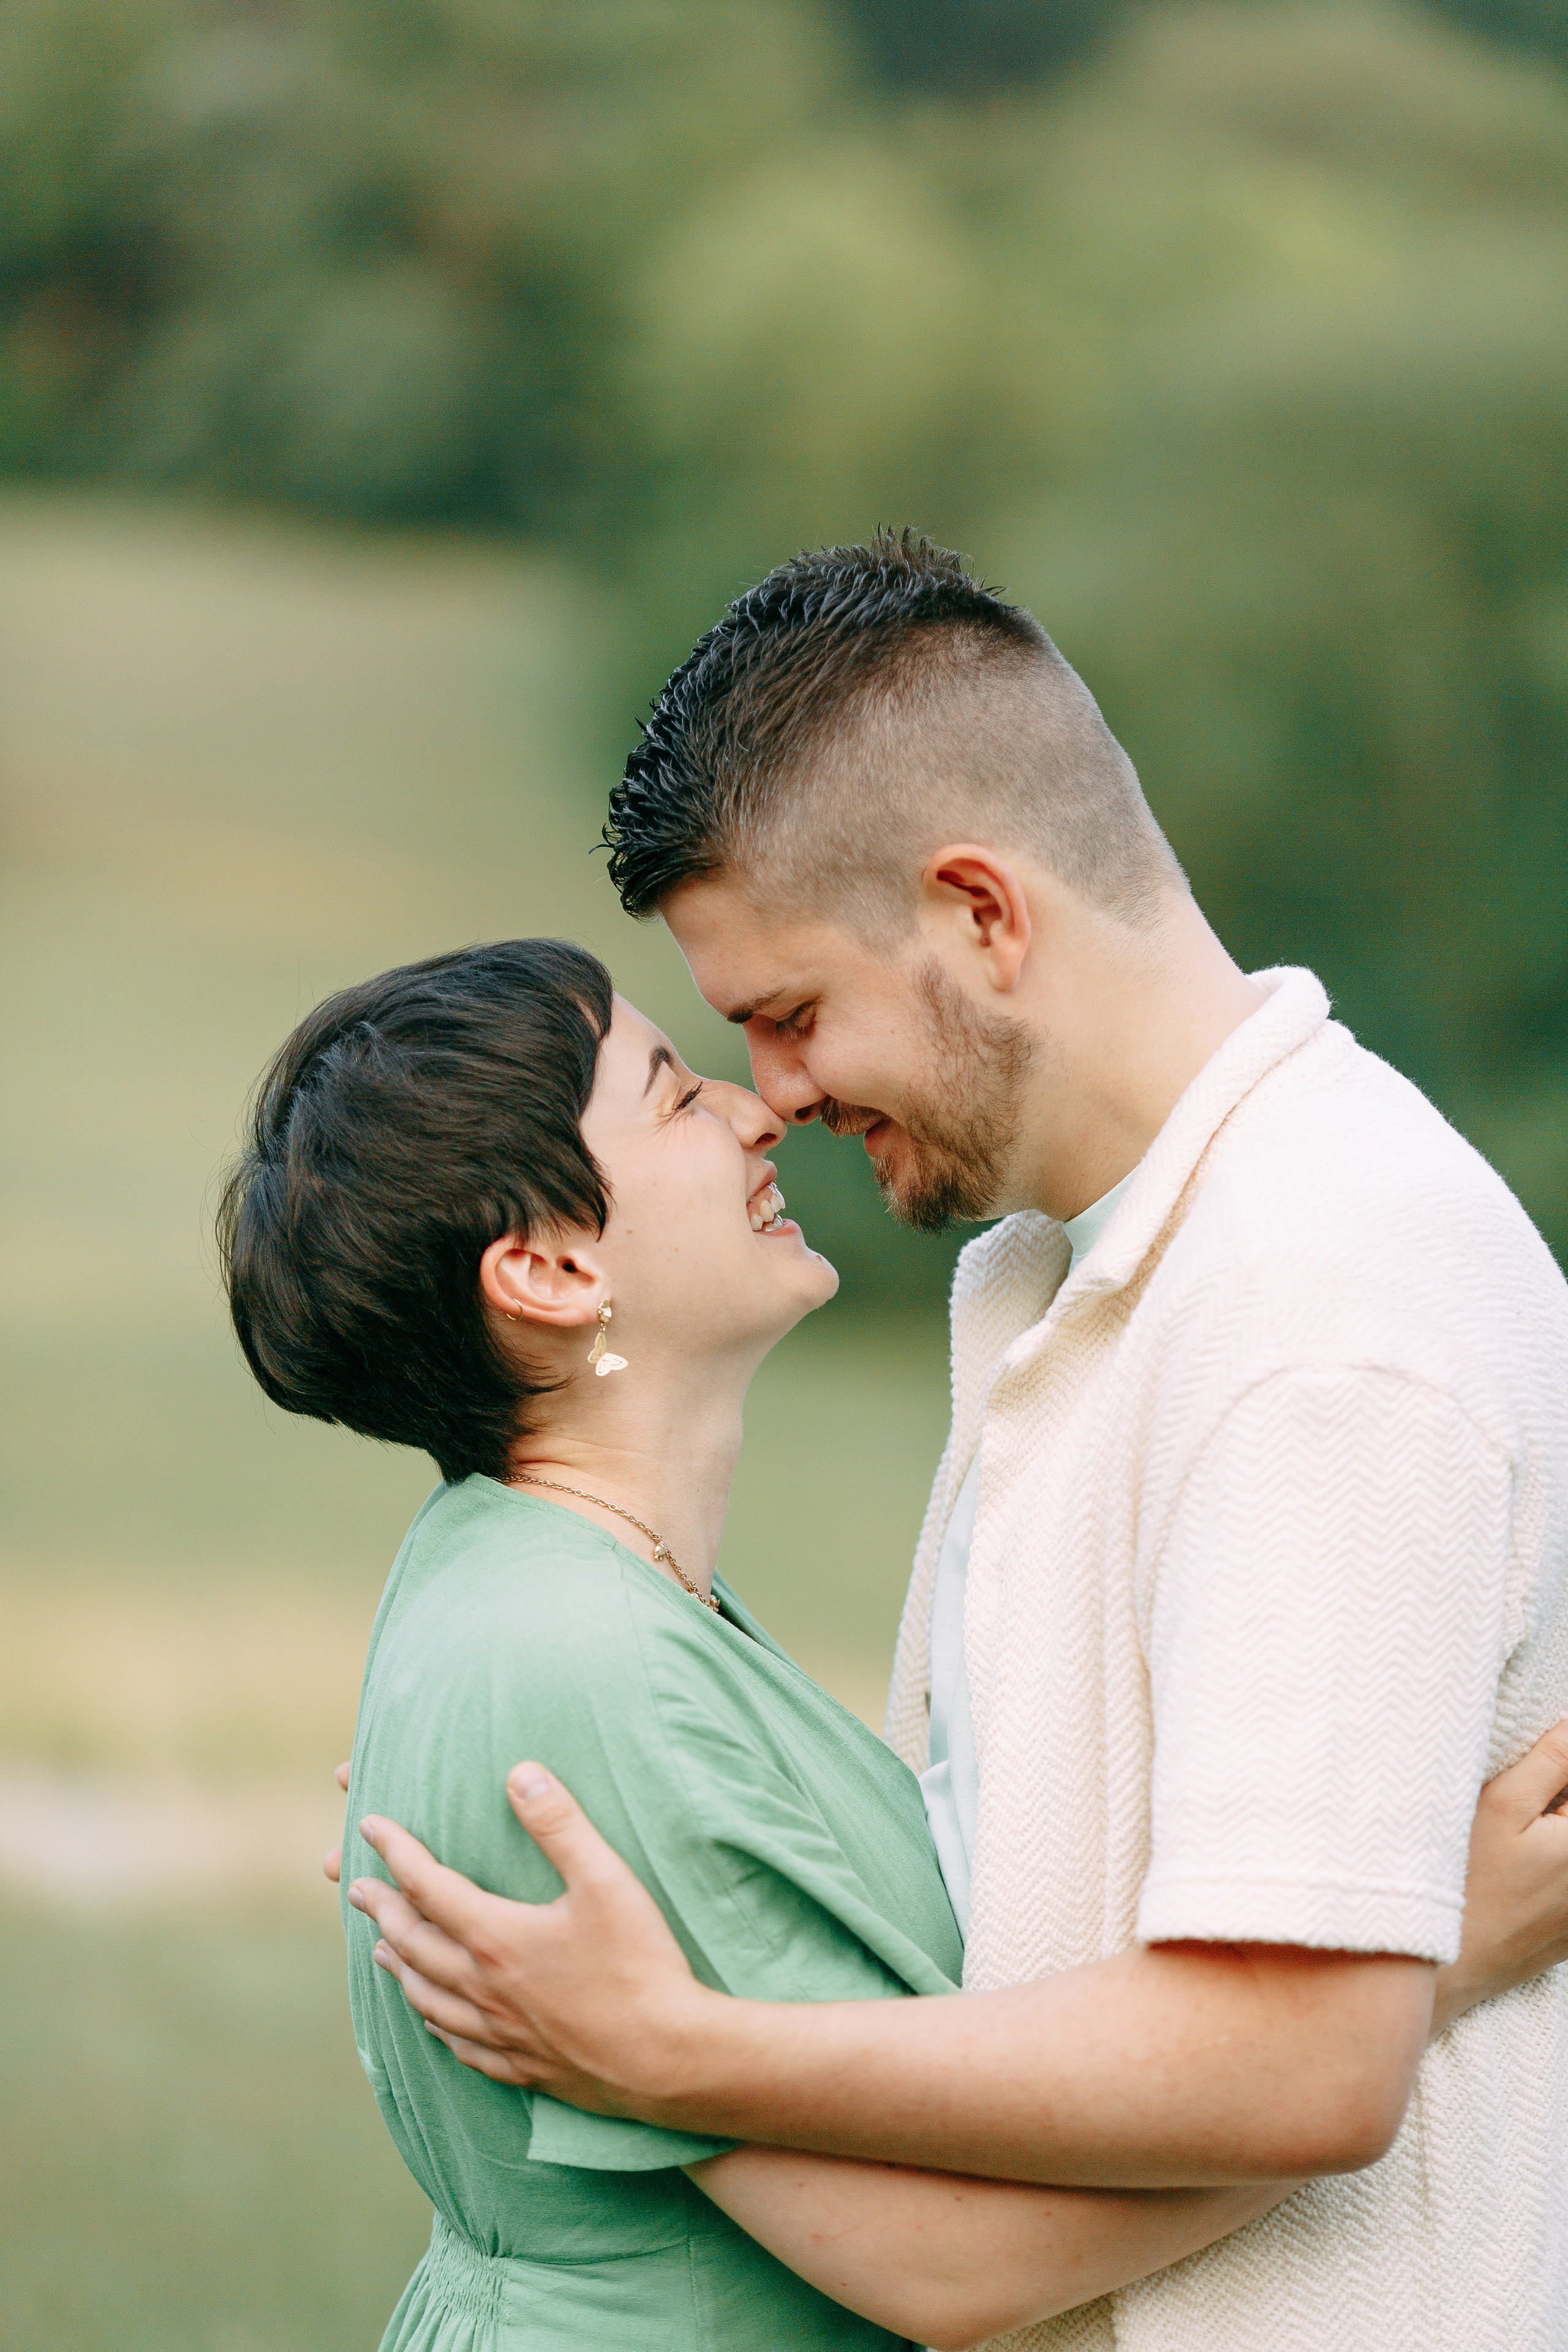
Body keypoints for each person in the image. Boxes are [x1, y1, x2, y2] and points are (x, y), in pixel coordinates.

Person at [350, 533, 1568, 2351]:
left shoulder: (1324, 1311)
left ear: (983, 915)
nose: (771, 1098)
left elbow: (1313, 2062)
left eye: (786, 1016)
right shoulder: (1054, 1265)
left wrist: (680, 2052)